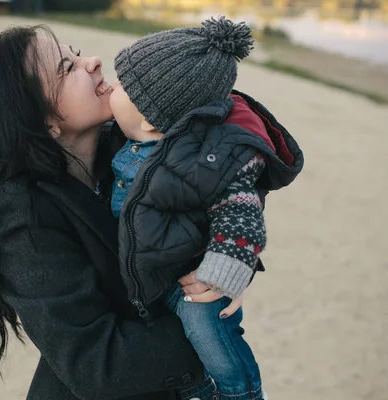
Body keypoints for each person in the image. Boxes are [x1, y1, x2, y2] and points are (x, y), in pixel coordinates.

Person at [0, 25, 237, 399]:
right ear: (43, 121)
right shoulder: (23, 217)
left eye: (78, 52)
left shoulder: (131, 148)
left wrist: (229, 266)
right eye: (67, 67)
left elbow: (232, 177)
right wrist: (212, 331)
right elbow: (98, 363)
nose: (94, 62)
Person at [108, 17, 304, 400]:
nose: (110, 89)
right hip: (149, 273)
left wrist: (225, 272)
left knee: (209, 330)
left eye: (121, 87)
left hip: (191, 277)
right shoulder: (122, 138)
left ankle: (240, 393)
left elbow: (241, 210)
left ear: (147, 121)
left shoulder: (208, 160)